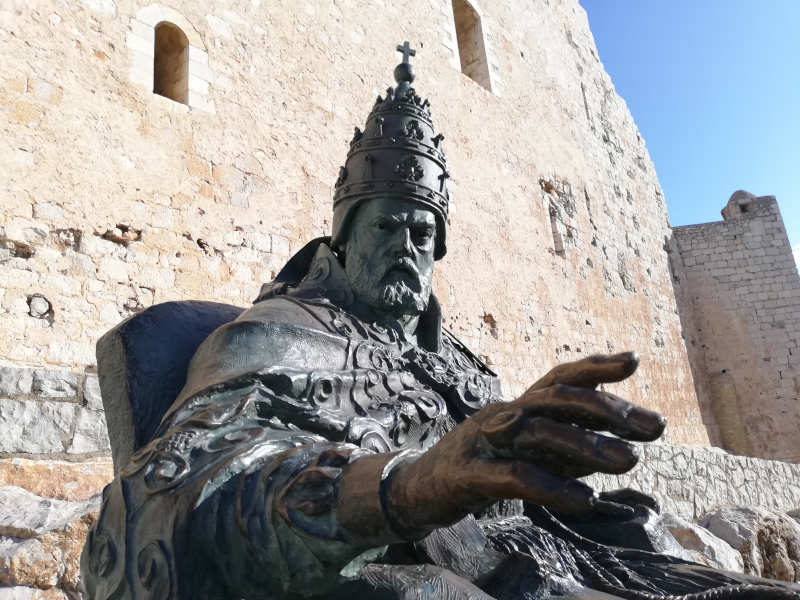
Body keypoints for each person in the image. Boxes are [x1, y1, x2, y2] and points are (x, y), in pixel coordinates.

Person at [81, 44, 800, 600]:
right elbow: (169, 502)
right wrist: (408, 485)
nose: (409, 247)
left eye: (426, 236)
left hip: (565, 564)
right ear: (342, 237)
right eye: (389, 226)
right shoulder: (275, 334)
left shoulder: (459, 362)